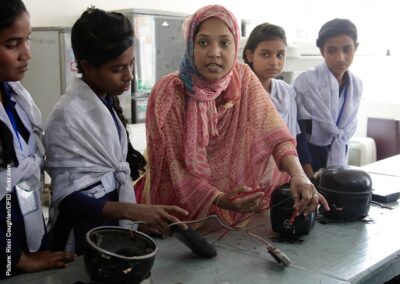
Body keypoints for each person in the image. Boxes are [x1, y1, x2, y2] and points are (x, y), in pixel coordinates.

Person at [143, 5, 329, 226]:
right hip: (181, 216)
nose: (214, 52)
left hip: (237, 210)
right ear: (190, 46)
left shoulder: (243, 79)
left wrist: (298, 174)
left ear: (236, 47)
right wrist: (222, 200)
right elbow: (175, 168)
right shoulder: (170, 92)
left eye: (224, 43)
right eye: (203, 42)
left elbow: (276, 134)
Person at [44, 8, 188, 255]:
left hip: (108, 229)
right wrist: (132, 211)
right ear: (88, 67)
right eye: (117, 68)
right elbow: (67, 200)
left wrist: (137, 219)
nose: (129, 76)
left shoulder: (105, 102)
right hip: (78, 238)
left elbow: (109, 184)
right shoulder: (68, 116)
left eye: (131, 64)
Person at [0, 0, 75, 278]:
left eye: (27, 40)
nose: (26, 54)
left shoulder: (15, 96)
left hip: (26, 229)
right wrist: (19, 259)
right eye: (12, 44)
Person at [294, 18, 362, 178]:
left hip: (337, 153)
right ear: (321, 50)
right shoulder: (306, 81)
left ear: (356, 47)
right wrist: (308, 176)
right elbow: (298, 132)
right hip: (309, 155)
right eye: (332, 50)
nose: (340, 57)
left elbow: (343, 133)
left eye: (347, 49)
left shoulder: (357, 85)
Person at [243, 23, 300, 137]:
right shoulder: (239, 92)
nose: (274, 62)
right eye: (265, 54)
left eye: (280, 55)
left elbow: (291, 136)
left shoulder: (287, 92)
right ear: (250, 55)